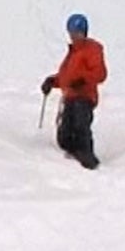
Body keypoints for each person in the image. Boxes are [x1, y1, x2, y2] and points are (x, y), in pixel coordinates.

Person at [41, 13, 107, 169]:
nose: (73, 36)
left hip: (84, 97)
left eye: (77, 33)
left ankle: (88, 157)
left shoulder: (92, 50)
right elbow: (67, 77)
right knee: (65, 136)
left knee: (80, 125)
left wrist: (83, 80)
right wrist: (53, 81)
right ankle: (71, 157)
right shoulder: (73, 52)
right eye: (71, 32)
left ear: (84, 32)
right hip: (70, 96)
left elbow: (100, 74)